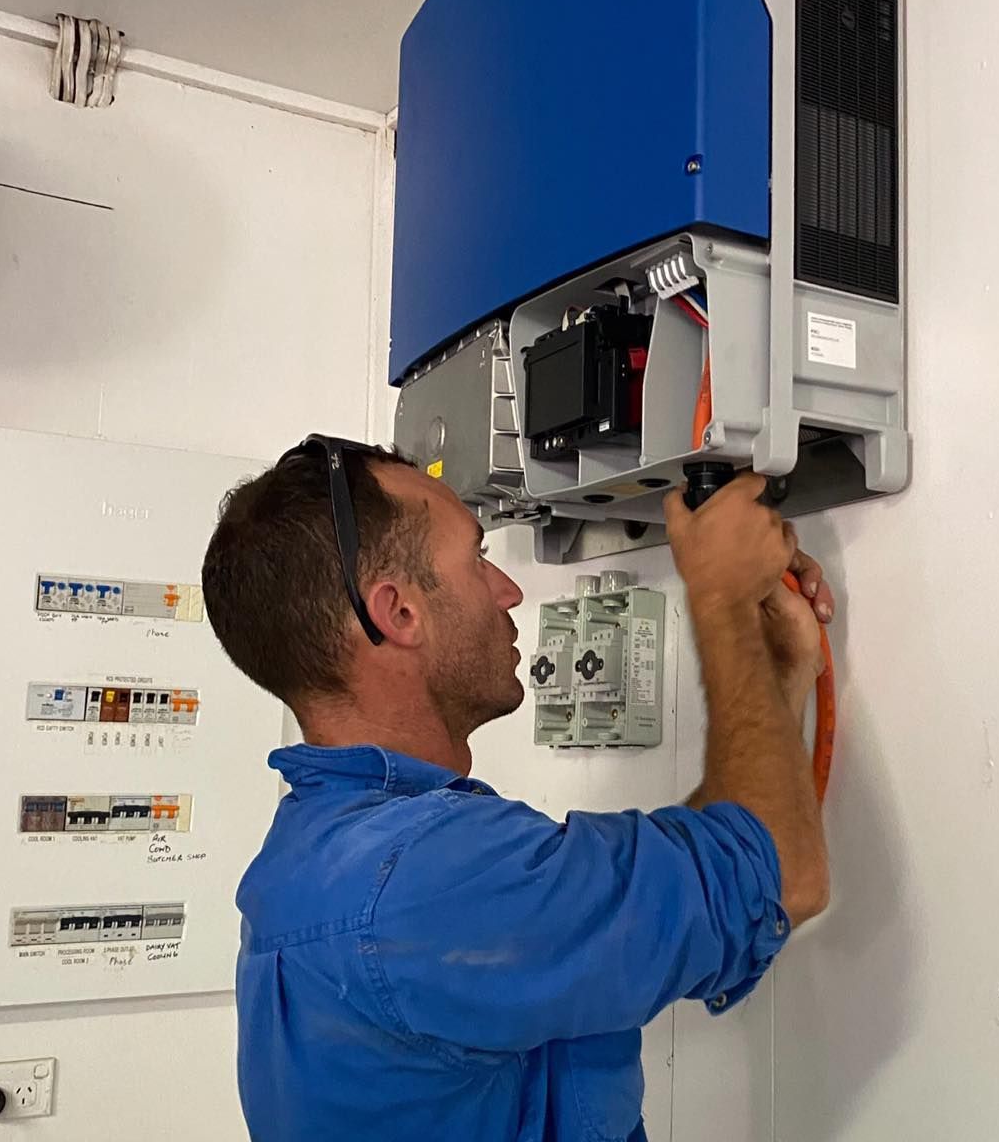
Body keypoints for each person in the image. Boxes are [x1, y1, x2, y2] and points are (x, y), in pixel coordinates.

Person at [200, 434, 833, 1142]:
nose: (509, 590)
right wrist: (719, 600)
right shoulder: (426, 881)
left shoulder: (329, 854)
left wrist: (774, 676)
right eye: (478, 556)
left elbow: (692, 877)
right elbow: (781, 875)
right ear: (398, 612)